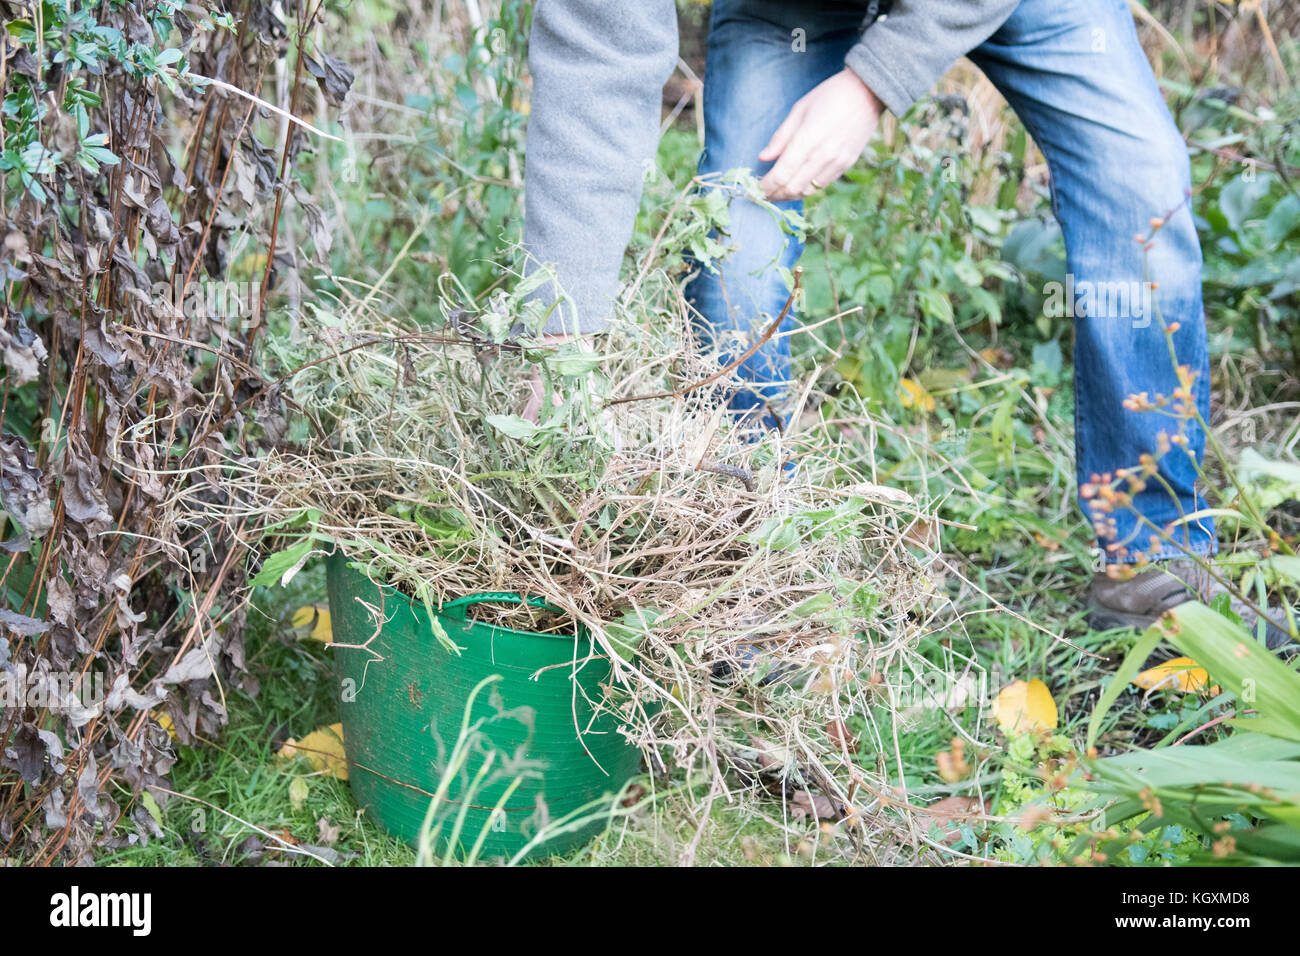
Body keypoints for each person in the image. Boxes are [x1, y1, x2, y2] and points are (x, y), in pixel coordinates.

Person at [520, 0, 1291, 645]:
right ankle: (744, 576)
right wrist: (561, 328)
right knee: (736, 237)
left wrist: (870, 85)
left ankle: (1151, 570)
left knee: (1139, 189)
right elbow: (597, 51)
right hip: (787, 9)